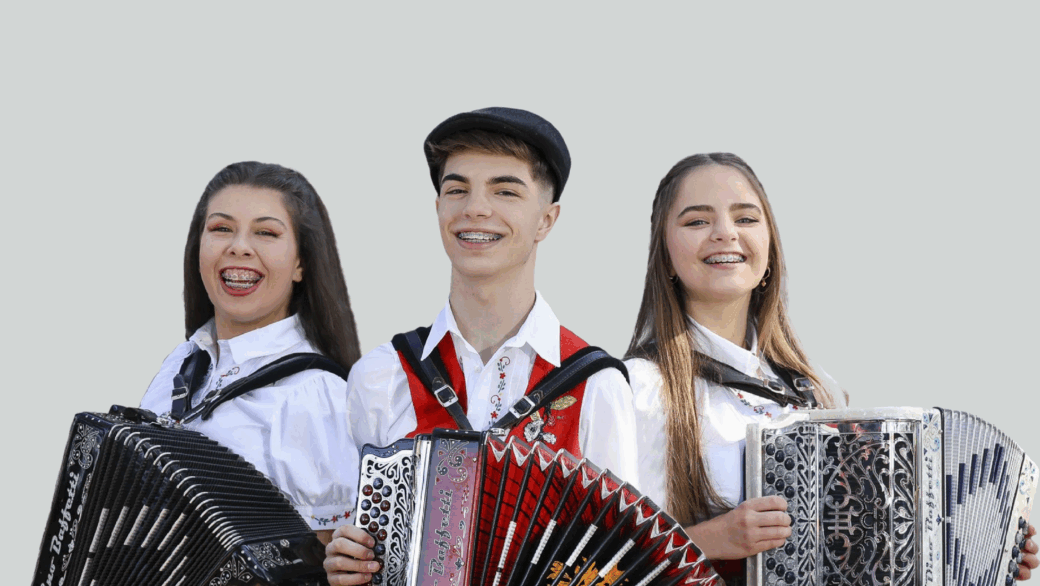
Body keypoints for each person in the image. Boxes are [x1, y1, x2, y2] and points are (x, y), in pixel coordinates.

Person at [623, 152, 1039, 583]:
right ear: (665, 255)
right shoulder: (637, 388)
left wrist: (987, 544)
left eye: (746, 219)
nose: (725, 234)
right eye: (696, 222)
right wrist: (713, 539)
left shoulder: (818, 389)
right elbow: (600, 562)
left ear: (770, 247)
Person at [324, 108, 639, 584]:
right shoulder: (380, 375)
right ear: (437, 211)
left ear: (546, 221)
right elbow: (349, 542)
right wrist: (345, 561)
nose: (475, 208)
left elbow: (620, 563)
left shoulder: (597, 385)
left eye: (505, 190)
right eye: (457, 189)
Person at [139, 161, 362, 545]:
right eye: (221, 229)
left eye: (266, 232)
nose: (239, 247)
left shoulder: (316, 396)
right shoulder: (181, 364)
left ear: (300, 263)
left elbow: (327, 567)